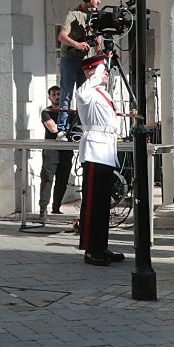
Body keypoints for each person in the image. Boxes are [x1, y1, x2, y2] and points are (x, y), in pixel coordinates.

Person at [64, 53, 123, 267]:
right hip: (95, 150)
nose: (105, 72)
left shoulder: (102, 93)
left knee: (102, 204)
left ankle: (101, 246)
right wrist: (96, 73)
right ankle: (90, 249)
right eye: (101, 69)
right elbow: (81, 92)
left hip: (106, 150)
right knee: (91, 205)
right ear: (91, 72)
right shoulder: (86, 92)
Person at [57, 0, 102, 101]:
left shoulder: (96, 16)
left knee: (84, 94)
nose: (99, 2)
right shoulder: (73, 14)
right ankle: (64, 119)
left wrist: (99, 57)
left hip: (86, 61)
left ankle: (81, 119)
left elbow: (98, 43)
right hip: (69, 59)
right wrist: (77, 44)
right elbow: (61, 36)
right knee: (66, 95)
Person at [37, 84, 76, 220]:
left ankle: (56, 207)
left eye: (59, 94)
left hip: (66, 151)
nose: (56, 97)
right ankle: (43, 209)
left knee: (62, 180)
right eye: (53, 94)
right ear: (49, 97)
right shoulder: (46, 112)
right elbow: (53, 128)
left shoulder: (71, 112)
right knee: (47, 179)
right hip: (51, 150)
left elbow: (76, 128)